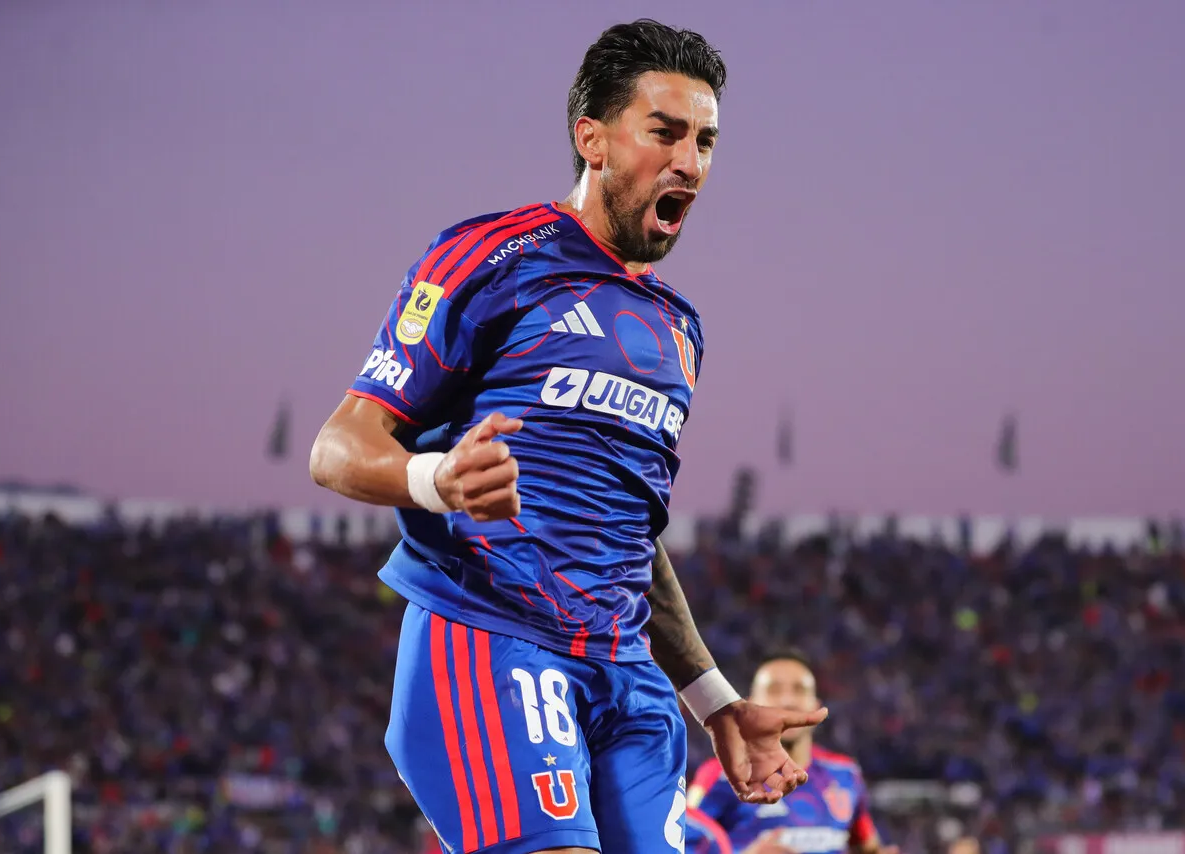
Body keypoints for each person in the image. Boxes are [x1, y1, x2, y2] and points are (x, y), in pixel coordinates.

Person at [309, 18, 827, 854]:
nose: (689, 162)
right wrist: (434, 479)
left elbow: (631, 533)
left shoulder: (679, 332)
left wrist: (716, 702)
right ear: (592, 137)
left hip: (628, 676)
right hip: (493, 637)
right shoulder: (492, 257)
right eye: (664, 133)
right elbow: (336, 447)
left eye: (705, 141)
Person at [688, 650, 897, 854]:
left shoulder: (845, 773)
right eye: (774, 690)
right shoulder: (721, 775)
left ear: (816, 706)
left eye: (799, 690)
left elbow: (866, 846)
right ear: (750, 706)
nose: (787, 701)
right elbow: (675, 842)